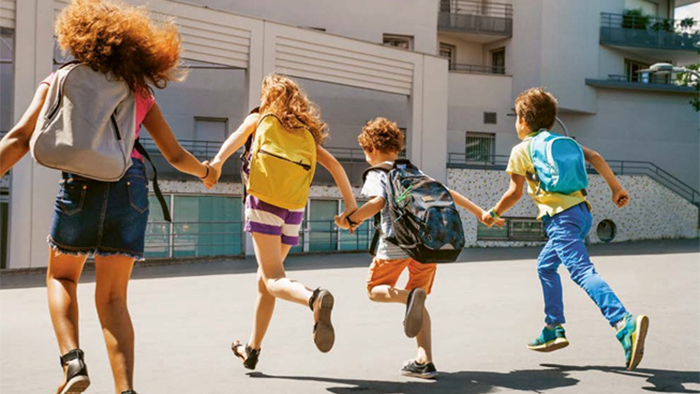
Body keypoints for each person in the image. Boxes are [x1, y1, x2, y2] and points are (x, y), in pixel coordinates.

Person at [0, 1, 215, 393]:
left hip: (80, 184)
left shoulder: (60, 79)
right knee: (114, 298)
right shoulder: (137, 88)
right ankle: (126, 390)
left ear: (77, 37)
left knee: (62, 276)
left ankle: (73, 363)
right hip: (128, 186)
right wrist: (207, 172)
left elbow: (17, 139)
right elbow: (175, 155)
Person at [481, 87, 649, 371]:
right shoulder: (564, 141)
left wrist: (493, 213)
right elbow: (595, 157)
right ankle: (553, 328)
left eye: (516, 118)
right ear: (550, 120)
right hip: (582, 214)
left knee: (582, 271)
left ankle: (624, 323)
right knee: (545, 266)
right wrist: (616, 188)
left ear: (523, 120)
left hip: (561, 220)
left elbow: (514, 192)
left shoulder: (522, 150)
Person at [204, 74, 358, 370]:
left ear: (268, 97)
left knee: (274, 279)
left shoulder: (262, 118)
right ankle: (252, 349)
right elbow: (337, 166)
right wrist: (351, 207)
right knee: (267, 282)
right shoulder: (306, 134)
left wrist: (215, 166)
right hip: (294, 210)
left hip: (264, 202)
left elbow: (233, 140)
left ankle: (313, 298)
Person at [335, 117, 504, 379]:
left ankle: (406, 298)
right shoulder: (413, 171)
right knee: (419, 296)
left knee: (373, 290)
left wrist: (351, 219)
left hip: (395, 245)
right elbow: (446, 192)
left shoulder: (378, 173)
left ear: (370, 148)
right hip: (426, 245)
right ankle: (424, 360)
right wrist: (481, 213)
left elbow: (378, 202)